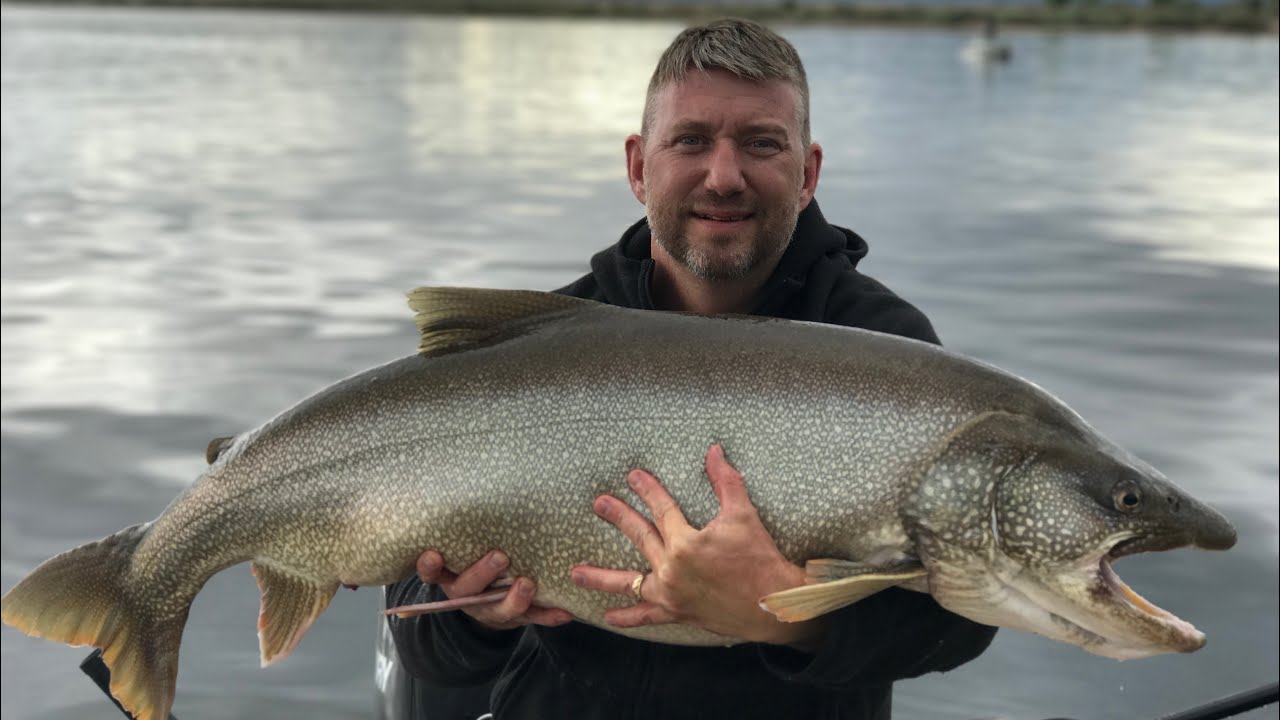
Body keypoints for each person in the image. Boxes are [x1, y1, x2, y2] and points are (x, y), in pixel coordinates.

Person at [384, 18, 997, 720]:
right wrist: (472, 614)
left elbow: (963, 619)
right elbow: (417, 636)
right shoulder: (540, 348)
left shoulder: (884, 350)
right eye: (692, 140)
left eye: (762, 143)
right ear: (639, 166)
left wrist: (786, 614)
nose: (725, 175)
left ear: (809, 173)